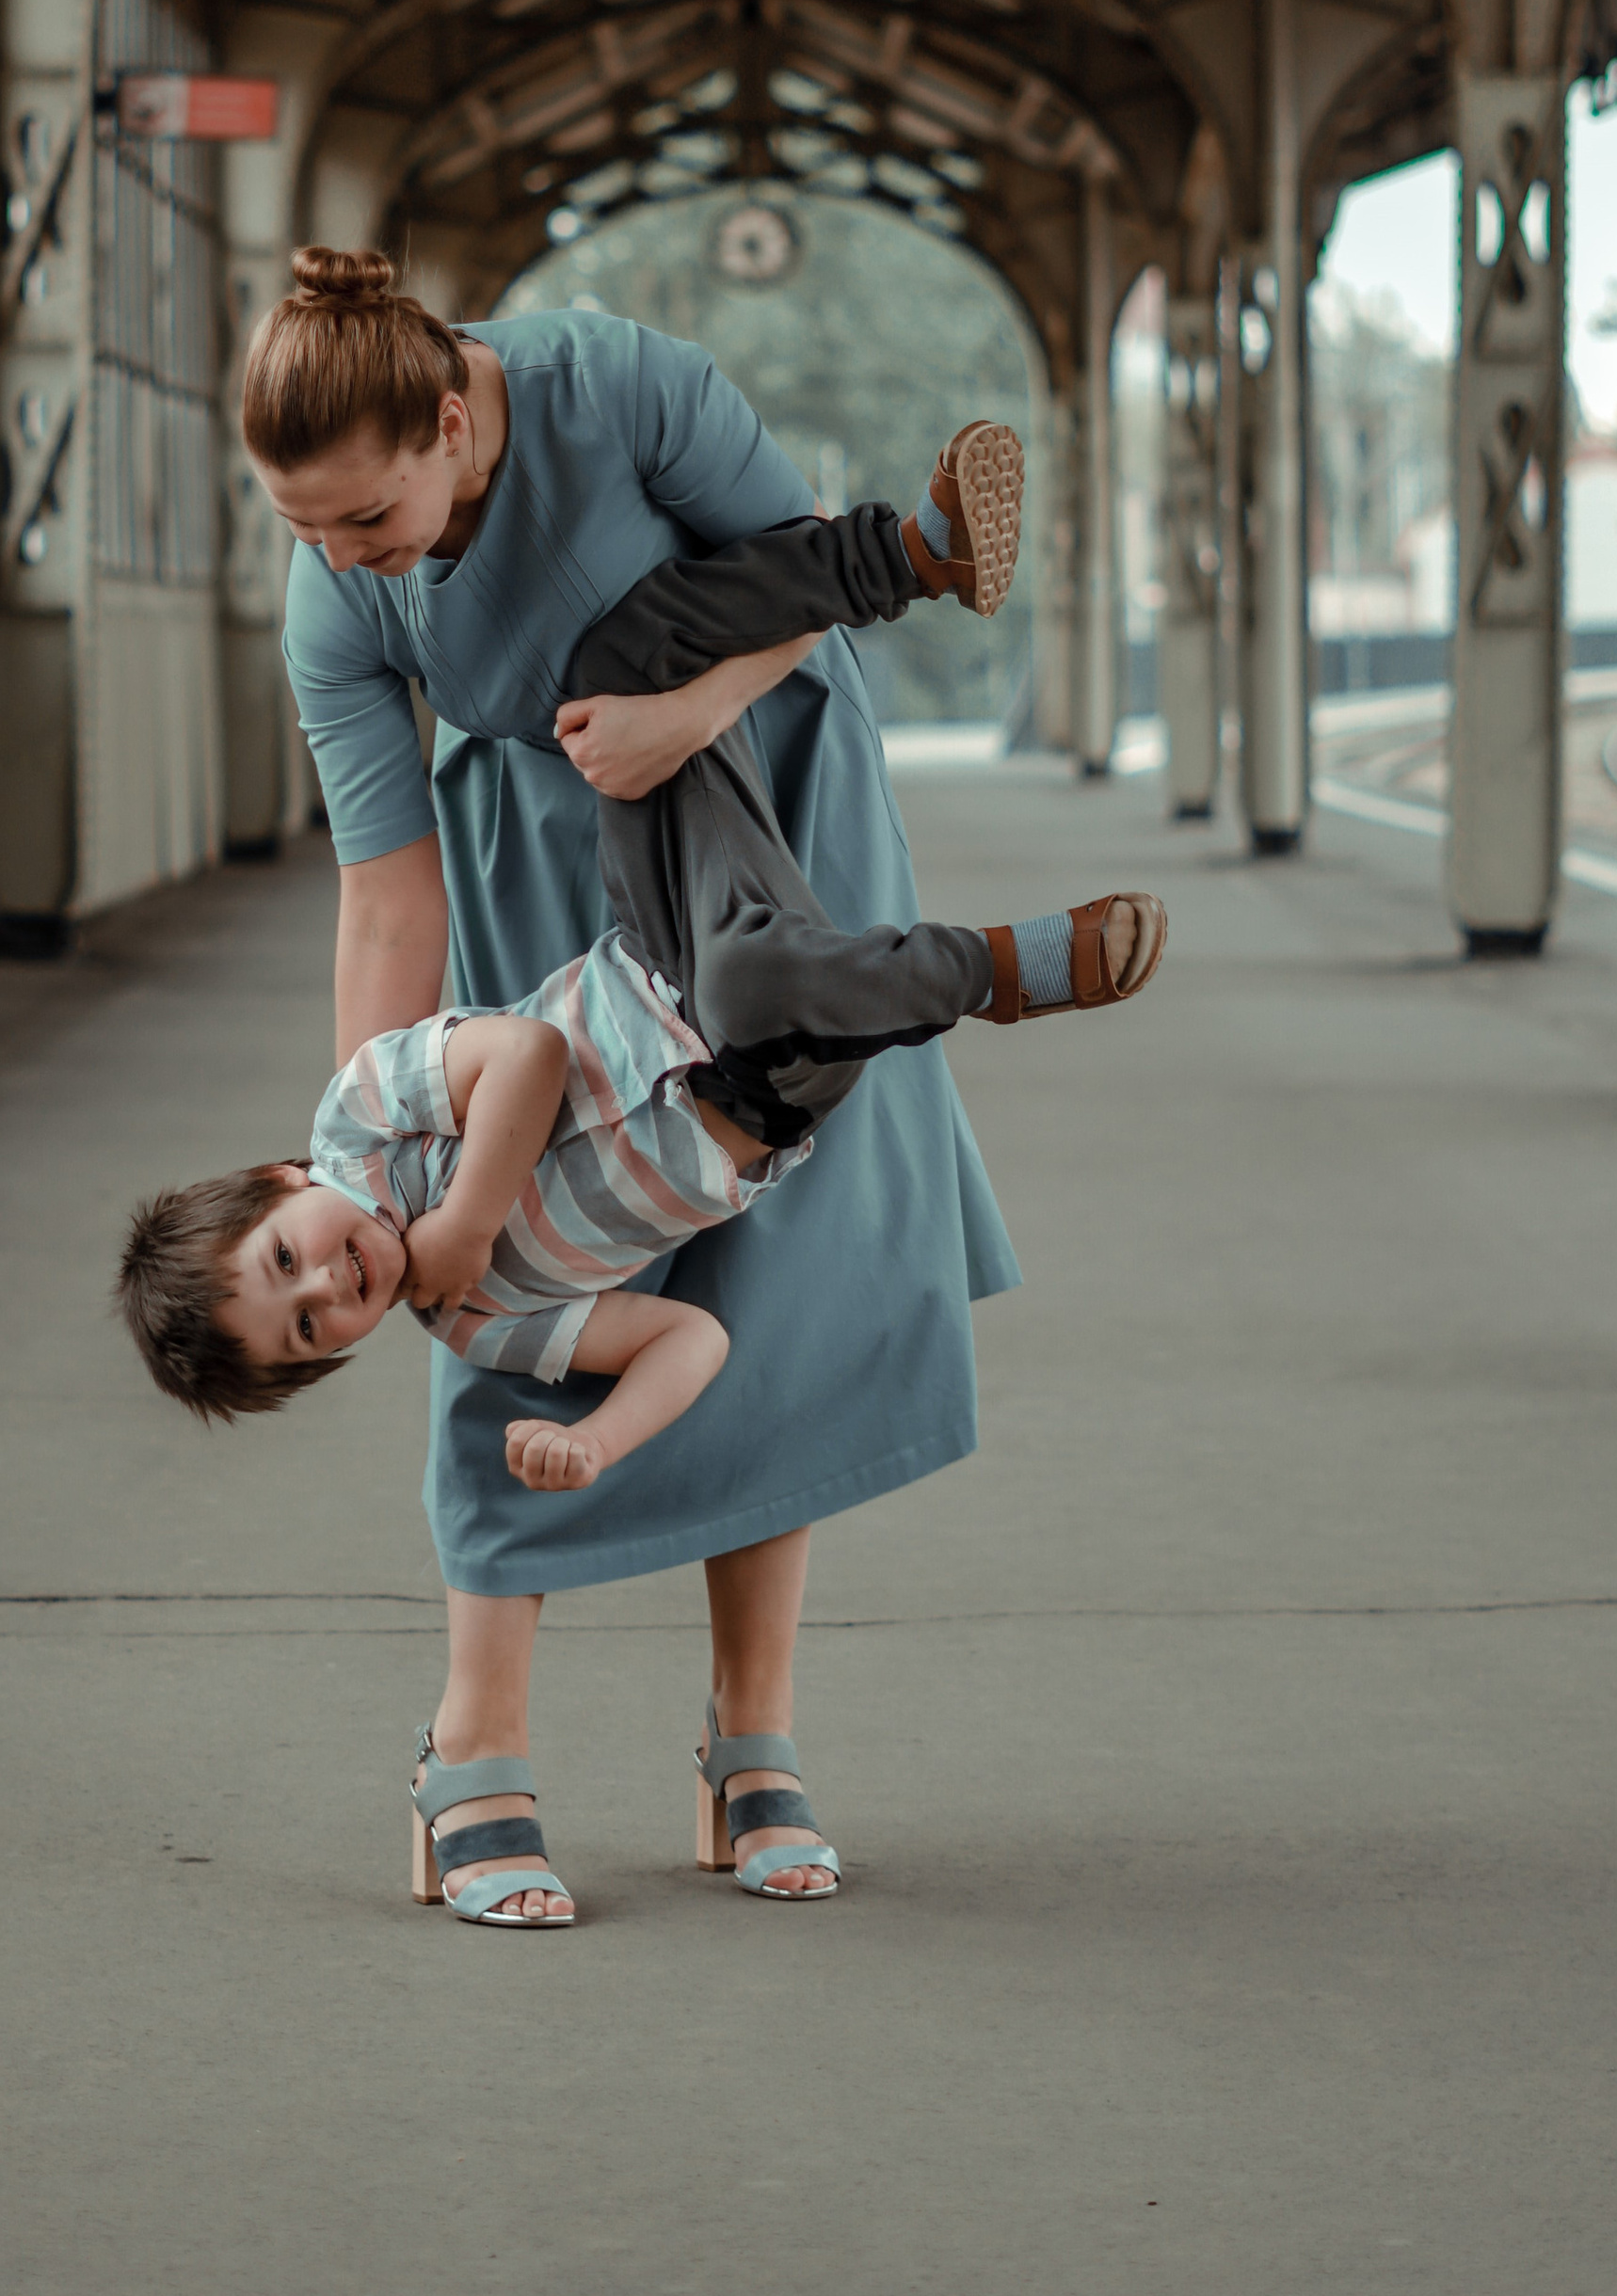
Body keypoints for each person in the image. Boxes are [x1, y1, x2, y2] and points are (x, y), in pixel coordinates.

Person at [239, 246, 1030, 1921]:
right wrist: (379, 1152)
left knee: (779, 1277)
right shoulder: (333, 596)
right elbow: (387, 892)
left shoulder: (625, 386)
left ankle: (757, 1743)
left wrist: (687, 713)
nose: (341, 563)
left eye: (365, 523)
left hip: (772, 793)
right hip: (549, 880)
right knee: (503, 1280)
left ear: (452, 417)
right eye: (303, 531)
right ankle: (476, 1748)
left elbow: (801, 580)